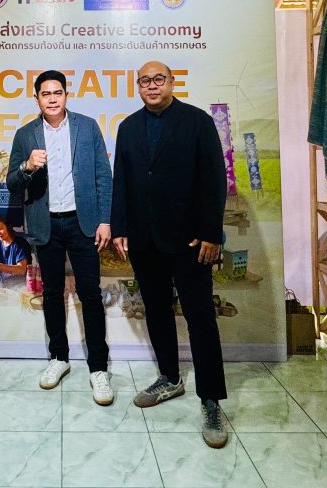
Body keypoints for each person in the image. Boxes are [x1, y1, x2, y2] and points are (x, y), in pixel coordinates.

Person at [110, 61, 230, 449]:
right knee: (157, 310)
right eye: (144, 81)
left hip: (190, 241)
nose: (152, 86)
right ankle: (170, 378)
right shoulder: (128, 127)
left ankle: (210, 400)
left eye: (158, 79)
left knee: (200, 317)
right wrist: (120, 227)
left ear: (172, 82)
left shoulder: (197, 122)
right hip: (144, 240)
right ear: (138, 86)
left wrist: (211, 233)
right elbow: (122, 181)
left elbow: (215, 180)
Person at [6, 70, 114, 405]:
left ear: (66, 95)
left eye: (58, 93)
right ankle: (59, 358)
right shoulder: (26, 134)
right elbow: (11, 183)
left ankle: (99, 368)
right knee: (52, 294)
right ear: (36, 98)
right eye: (46, 94)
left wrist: (105, 220)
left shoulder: (87, 127)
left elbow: (103, 176)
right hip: (46, 226)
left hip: (83, 224)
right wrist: (27, 166)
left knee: (90, 295)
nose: (52, 99)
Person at [0, 216, 30, 284]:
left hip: (20, 284)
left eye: (0, 229)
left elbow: (22, 270)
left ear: (9, 227)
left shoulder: (20, 244)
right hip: (3, 282)